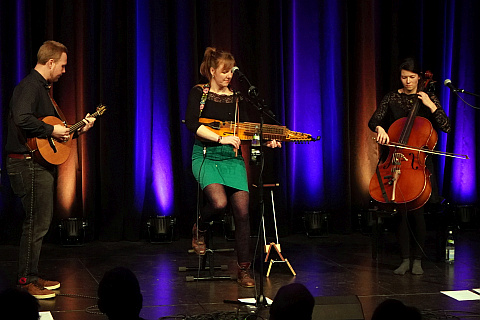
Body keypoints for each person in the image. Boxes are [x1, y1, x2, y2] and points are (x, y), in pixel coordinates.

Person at [5, 40, 96, 299]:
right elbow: (22, 118)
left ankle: (32, 275)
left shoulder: (42, 89)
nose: (64, 72)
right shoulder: (29, 87)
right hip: (26, 164)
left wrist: (76, 130)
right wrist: (51, 129)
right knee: (35, 225)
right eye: (63, 66)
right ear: (51, 62)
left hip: (37, 163)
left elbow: (51, 137)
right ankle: (26, 281)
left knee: (40, 223)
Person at [185, 47, 281, 288]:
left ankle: (244, 270)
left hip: (233, 158)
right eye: (224, 71)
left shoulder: (238, 97)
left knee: (243, 212)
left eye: (231, 71)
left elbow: (248, 130)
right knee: (219, 203)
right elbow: (192, 124)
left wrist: (266, 141)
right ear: (212, 71)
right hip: (206, 155)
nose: (228, 76)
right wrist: (220, 138)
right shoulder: (200, 93)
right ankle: (200, 226)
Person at [368, 58, 451, 275]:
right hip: (396, 161)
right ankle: (405, 259)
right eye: (404, 77)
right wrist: (380, 129)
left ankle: (418, 260)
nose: (407, 81)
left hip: (418, 163)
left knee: (418, 213)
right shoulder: (392, 97)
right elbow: (373, 120)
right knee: (401, 213)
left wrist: (431, 105)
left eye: (412, 77)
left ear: (420, 78)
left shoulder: (428, 97)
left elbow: (446, 126)